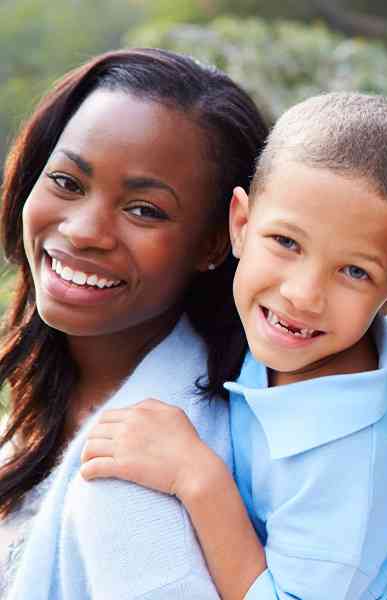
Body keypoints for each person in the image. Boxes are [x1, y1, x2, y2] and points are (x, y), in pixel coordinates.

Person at [78, 93, 387, 599]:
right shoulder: (276, 341)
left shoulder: (353, 462)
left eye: (354, 271)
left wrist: (198, 479)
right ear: (241, 224)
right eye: (286, 243)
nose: (302, 295)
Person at [0, 48, 268, 598]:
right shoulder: (41, 405)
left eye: (144, 210)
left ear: (217, 241)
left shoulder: (171, 465)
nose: (83, 231)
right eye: (68, 182)